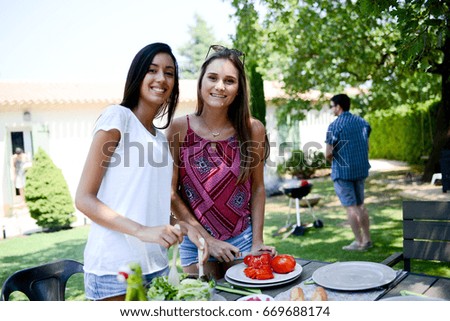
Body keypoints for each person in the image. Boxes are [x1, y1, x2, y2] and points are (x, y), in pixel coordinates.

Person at [75, 43, 207, 301]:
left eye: (169, 73)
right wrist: (140, 231)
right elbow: (84, 198)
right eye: (152, 70)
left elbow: (151, 206)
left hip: (156, 266)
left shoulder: (160, 139)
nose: (161, 79)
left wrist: (185, 227)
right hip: (116, 270)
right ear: (138, 76)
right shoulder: (117, 118)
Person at [166, 45, 276, 280]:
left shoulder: (252, 129)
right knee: (198, 304)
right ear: (200, 83)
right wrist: (207, 239)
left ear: (238, 89)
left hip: (242, 241)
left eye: (229, 81)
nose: (219, 86)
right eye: (213, 78)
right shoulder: (178, 129)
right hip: (194, 242)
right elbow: (170, 193)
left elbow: (257, 188)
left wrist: (258, 241)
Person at [325, 94, 372, 251]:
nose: (331, 109)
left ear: (338, 106)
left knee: (351, 207)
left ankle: (358, 242)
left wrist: (331, 160)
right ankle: (367, 239)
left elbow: (328, 153)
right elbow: (367, 144)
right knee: (360, 205)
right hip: (360, 170)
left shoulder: (334, 125)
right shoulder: (363, 122)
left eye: (332, 106)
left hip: (342, 172)